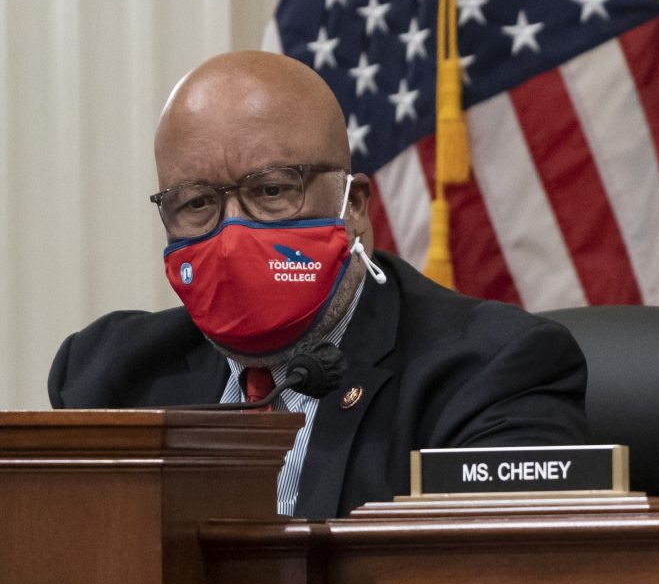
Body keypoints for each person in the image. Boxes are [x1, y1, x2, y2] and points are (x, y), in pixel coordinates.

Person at [49, 50, 588, 518]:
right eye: (196, 203)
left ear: (352, 207)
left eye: (273, 191)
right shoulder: (108, 378)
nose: (234, 234)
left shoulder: (489, 371)